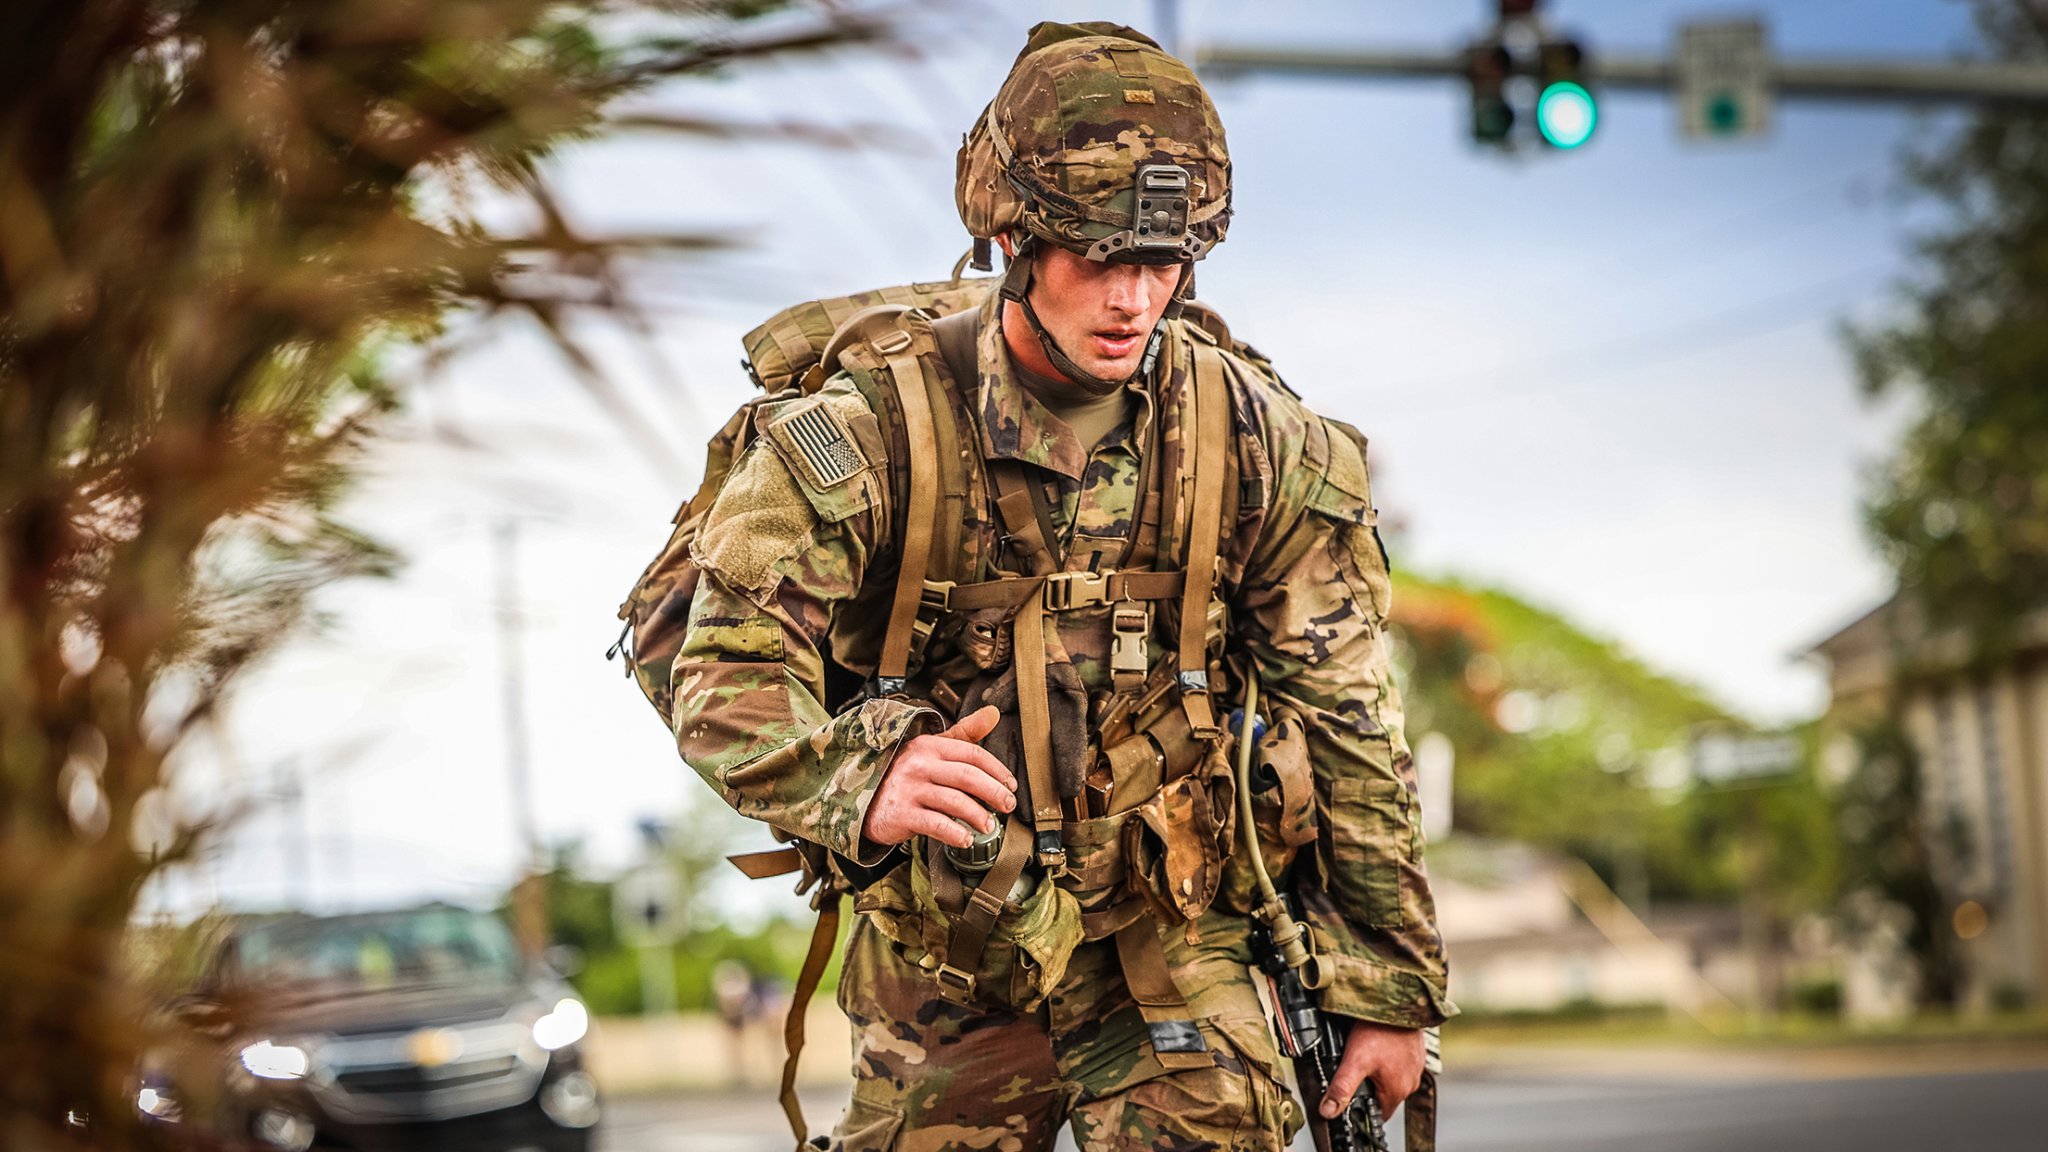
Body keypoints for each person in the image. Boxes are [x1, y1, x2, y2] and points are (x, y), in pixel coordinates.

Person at [668, 21, 1449, 1151]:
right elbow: (722, 668)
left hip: (1176, 924)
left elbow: (1348, 715)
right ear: (1013, 238)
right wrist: (863, 775)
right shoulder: (874, 432)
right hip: (955, 939)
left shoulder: (1255, 439)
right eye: (1099, 256)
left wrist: (1387, 987)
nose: (1134, 298)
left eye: (1163, 262)